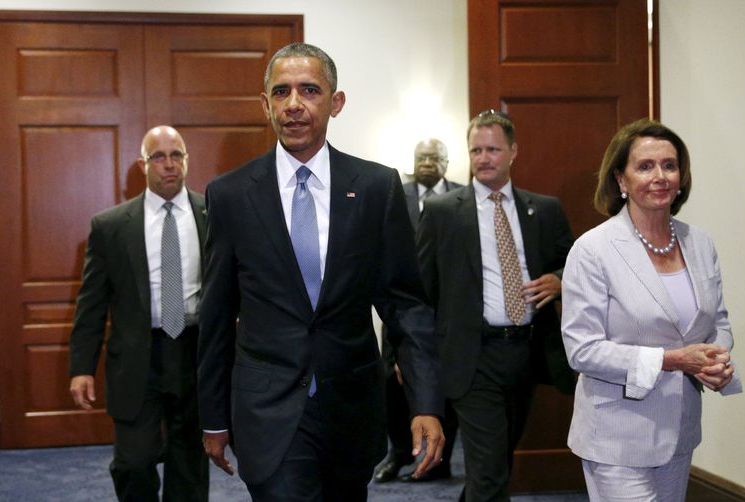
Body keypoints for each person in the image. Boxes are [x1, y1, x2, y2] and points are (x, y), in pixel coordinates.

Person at [197, 43, 445, 502]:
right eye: (281, 92)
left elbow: (405, 305)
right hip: (267, 410)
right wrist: (213, 417)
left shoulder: (376, 187)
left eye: (309, 90)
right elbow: (216, 316)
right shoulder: (230, 195)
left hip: (350, 408)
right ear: (265, 105)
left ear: (335, 102)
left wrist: (425, 403)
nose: (294, 104)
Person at [560, 118, 742, 501]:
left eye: (669, 165)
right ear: (621, 181)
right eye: (644, 166)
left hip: (679, 429)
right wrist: (675, 360)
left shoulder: (700, 243)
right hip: (616, 436)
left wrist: (715, 356)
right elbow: (583, 350)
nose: (659, 176)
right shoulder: (594, 250)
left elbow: (717, 321)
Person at [417, 110, 575, 501]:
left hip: (526, 350)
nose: (483, 157)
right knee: (489, 472)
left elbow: (576, 263)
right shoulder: (442, 212)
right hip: (473, 355)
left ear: (512, 151)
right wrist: (410, 356)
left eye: (492, 149)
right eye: (475, 150)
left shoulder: (545, 209)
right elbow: (421, 289)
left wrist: (559, 280)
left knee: (496, 462)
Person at [69, 126, 209, 501]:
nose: (169, 165)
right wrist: (82, 367)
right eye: (159, 157)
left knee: (190, 463)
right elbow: (92, 303)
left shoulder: (212, 215)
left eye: (176, 155)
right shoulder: (111, 226)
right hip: (137, 358)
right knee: (134, 462)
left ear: (186, 161)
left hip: (195, 353)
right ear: (142, 164)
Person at [375, 138, 462, 483]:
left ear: (445, 161)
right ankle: (397, 455)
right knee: (393, 390)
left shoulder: (463, 197)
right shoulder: (394, 195)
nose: (427, 162)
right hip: (399, 312)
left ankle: (440, 461)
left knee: (447, 389)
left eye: (434, 157)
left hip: (448, 314)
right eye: (421, 157)